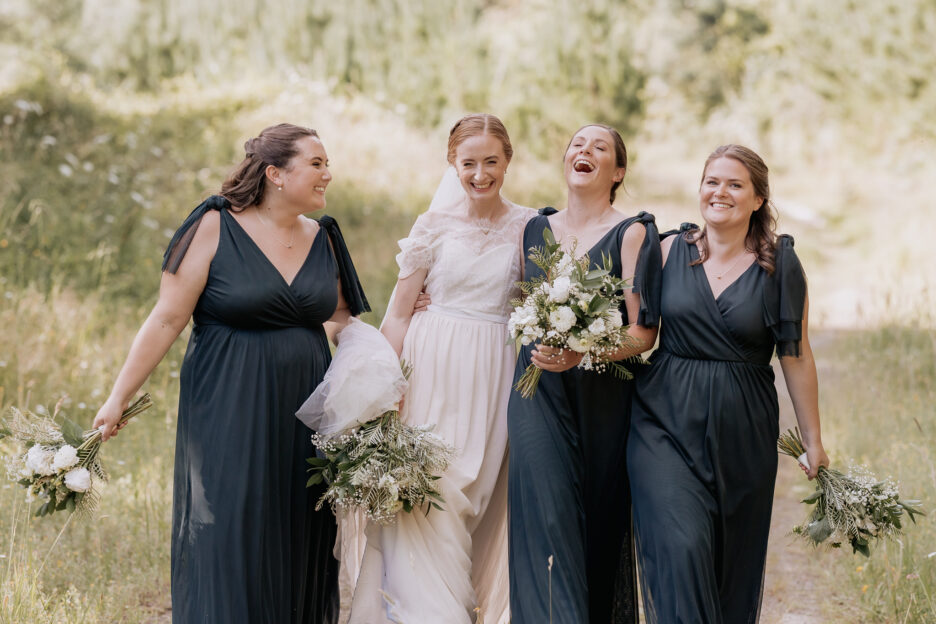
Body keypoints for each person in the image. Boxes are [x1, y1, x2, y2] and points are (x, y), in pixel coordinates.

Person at [93, 123, 371, 624]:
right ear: (275, 174)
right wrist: (117, 397)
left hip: (307, 409)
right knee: (229, 524)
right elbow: (166, 318)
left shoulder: (323, 236)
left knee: (297, 527)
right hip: (228, 399)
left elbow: (342, 322)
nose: (328, 174)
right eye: (316, 163)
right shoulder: (215, 226)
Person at [627, 144, 830, 623]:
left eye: (735, 184)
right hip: (663, 422)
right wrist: (578, 346)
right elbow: (640, 334)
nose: (720, 192)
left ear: (758, 199)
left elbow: (795, 356)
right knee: (681, 545)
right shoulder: (667, 248)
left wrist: (814, 440)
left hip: (743, 430)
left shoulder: (780, 265)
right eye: (711, 181)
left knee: (728, 564)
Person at [347, 114, 533, 624]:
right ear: (452, 165)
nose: (480, 173)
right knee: (434, 488)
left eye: (491, 161)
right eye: (468, 163)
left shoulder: (529, 226)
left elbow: (533, 304)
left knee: (476, 492)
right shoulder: (431, 227)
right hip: (430, 369)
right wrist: (385, 387)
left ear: (507, 162)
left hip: (494, 371)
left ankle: (458, 605)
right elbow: (399, 312)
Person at [507, 124, 661, 623]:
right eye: (577, 144)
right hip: (537, 393)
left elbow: (643, 333)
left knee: (597, 529)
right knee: (545, 519)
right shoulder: (535, 228)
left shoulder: (633, 232)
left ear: (617, 172)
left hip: (603, 399)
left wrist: (584, 351)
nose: (584, 151)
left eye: (599, 148)